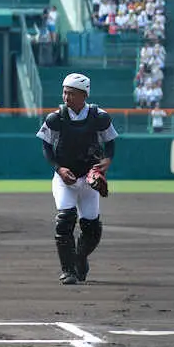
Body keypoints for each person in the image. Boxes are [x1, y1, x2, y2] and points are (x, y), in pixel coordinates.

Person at [36, 72, 118, 285]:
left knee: (92, 228)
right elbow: (46, 146)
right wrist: (58, 168)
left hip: (89, 179)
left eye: (71, 93)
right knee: (65, 220)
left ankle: (80, 257)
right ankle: (68, 270)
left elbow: (110, 141)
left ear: (84, 95)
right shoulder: (56, 118)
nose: (66, 97)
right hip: (65, 179)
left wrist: (107, 160)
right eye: (64, 92)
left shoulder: (99, 117)